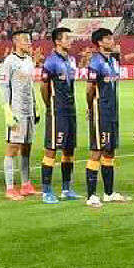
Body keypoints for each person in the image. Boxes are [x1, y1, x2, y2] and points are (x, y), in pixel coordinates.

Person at [85, 28, 129, 207]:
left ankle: (109, 193)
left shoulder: (112, 61)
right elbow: (89, 89)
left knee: (110, 151)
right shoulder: (95, 62)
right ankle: (91, 196)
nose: (112, 41)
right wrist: (91, 108)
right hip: (100, 112)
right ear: (100, 43)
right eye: (108, 39)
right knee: (97, 151)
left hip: (112, 112)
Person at [39, 27, 80, 203]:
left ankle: (66, 188)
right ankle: (46, 191)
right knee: (52, 149)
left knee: (69, 150)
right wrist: (50, 105)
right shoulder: (51, 61)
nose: (70, 41)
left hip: (70, 110)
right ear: (58, 41)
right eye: (67, 38)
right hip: (57, 111)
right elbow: (43, 86)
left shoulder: (70, 60)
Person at [0, 31, 38, 200]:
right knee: (12, 148)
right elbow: (4, 87)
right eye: (25, 40)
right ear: (16, 43)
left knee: (26, 148)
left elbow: (30, 85)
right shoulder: (9, 61)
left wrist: (36, 106)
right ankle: (9, 187)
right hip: (16, 111)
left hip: (29, 111)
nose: (29, 43)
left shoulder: (29, 60)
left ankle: (26, 184)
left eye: (29, 40)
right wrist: (7, 110)